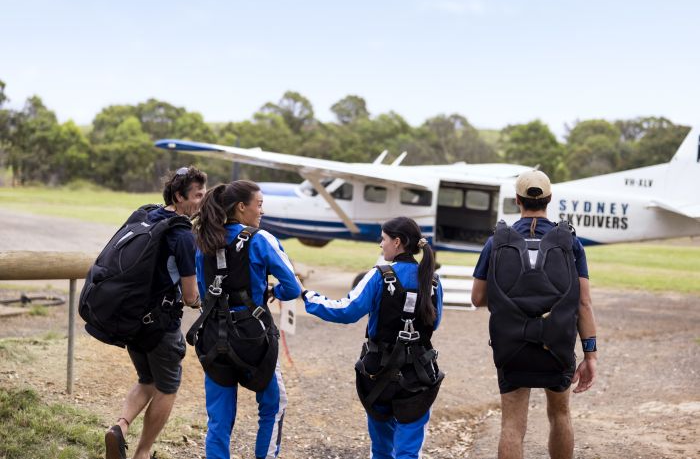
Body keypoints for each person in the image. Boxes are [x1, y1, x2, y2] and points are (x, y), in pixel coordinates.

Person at [471, 169, 597, 459]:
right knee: (561, 415)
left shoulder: (496, 241)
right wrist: (590, 355)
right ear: (549, 200)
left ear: (517, 200)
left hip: (511, 348)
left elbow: (477, 298)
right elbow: (584, 303)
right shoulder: (570, 242)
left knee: (512, 424)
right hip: (557, 346)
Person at [304, 216, 444, 459]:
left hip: (379, 375)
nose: (381, 245)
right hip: (419, 377)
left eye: (383, 239)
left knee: (381, 450)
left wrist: (308, 296)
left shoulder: (379, 275)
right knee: (408, 452)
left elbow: (346, 311)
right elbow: (435, 322)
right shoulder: (432, 280)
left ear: (397, 242)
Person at [191, 180, 304, 459]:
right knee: (273, 406)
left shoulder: (203, 242)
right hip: (253, 340)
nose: (262, 211)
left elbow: (203, 293)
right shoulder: (260, 239)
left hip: (212, 338)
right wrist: (271, 291)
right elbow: (293, 288)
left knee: (218, 420)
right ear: (242, 207)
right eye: (260, 205)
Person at [105, 166, 207, 459]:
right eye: (197, 195)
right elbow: (189, 297)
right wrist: (205, 302)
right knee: (167, 386)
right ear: (179, 195)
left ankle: (120, 427)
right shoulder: (182, 234)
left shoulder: (147, 216)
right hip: (160, 326)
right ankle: (143, 453)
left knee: (146, 380)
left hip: (132, 318)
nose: (201, 201)